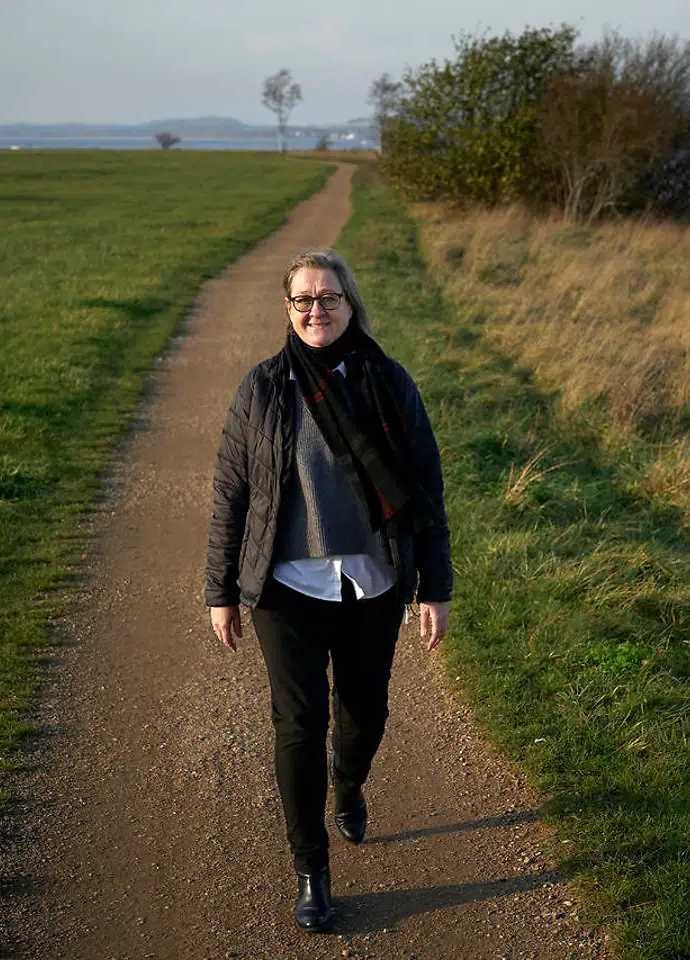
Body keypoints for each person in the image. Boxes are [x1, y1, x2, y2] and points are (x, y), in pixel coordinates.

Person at [204, 249, 452, 933]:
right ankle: (311, 869)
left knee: (365, 713)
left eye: (329, 298)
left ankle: (349, 780)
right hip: (285, 589)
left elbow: (426, 492)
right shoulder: (263, 388)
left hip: (373, 584)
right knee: (299, 723)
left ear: (351, 306)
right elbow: (230, 494)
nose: (316, 310)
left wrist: (436, 587)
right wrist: (219, 589)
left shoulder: (390, 384)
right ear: (288, 309)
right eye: (303, 300)